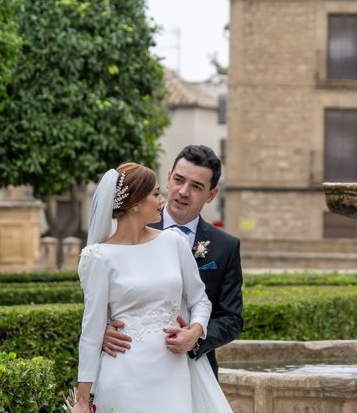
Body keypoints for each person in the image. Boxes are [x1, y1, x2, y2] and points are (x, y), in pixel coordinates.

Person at [74, 162, 233, 413]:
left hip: (173, 372)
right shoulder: (98, 257)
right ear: (135, 202)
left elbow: (200, 300)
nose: (163, 199)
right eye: (156, 193)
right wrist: (82, 400)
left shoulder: (174, 242)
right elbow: (91, 332)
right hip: (123, 374)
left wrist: (195, 331)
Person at [102, 145, 244, 378]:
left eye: (196, 186)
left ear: (211, 195)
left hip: (196, 368)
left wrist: (196, 338)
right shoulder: (125, 231)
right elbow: (102, 294)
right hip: (131, 363)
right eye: (179, 180)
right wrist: (103, 330)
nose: (183, 191)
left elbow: (231, 318)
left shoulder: (225, 247)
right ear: (168, 178)